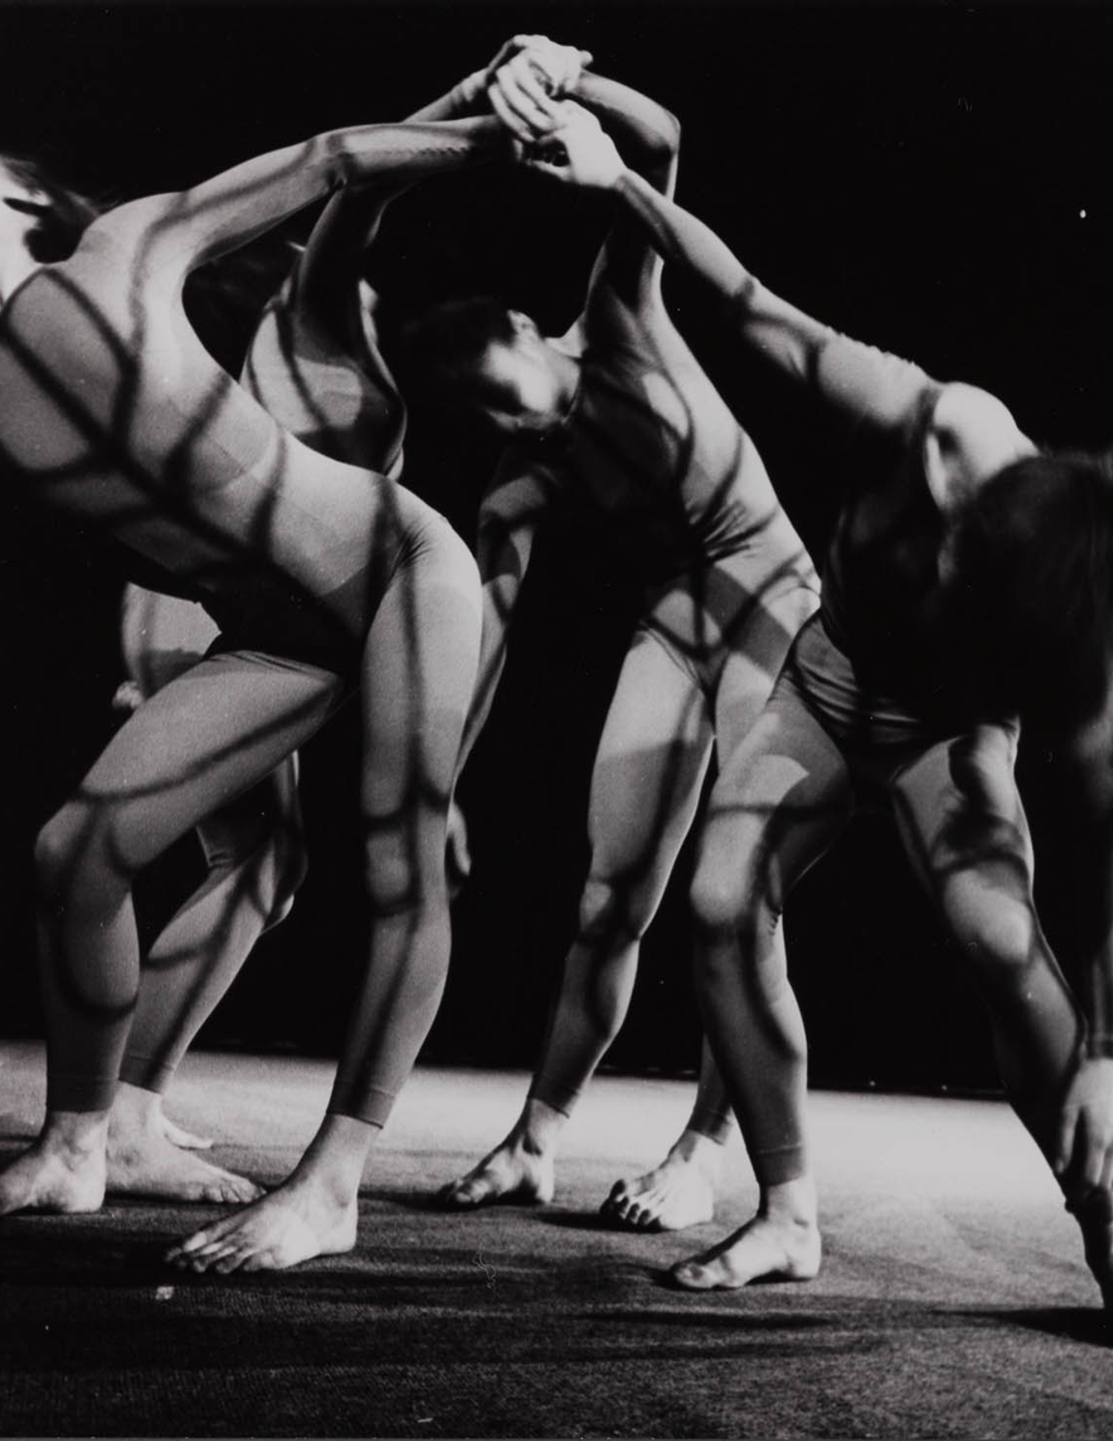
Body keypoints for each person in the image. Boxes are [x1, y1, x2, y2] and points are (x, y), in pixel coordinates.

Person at [517, 103, 1113, 1353]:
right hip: (826, 685)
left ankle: (1111, 1236)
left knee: (1000, 939)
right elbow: (746, 305)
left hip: (948, 736)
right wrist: (620, 180)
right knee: (719, 899)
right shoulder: (931, 423)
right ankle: (786, 1212)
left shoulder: (1082, 637)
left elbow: (1112, 850)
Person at [0, 98, 519, 1270]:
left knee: (396, 864)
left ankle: (330, 1187)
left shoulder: (119, 251)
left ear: (16, 198)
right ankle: (80, 1145)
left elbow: (336, 161)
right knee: (75, 856)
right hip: (275, 633)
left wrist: (496, 131)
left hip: (395, 564)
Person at [82, 39, 579, 1177]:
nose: (524, 425)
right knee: (257, 864)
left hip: (218, 613)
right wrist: (474, 104)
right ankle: (119, 1112)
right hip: (200, 611)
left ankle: (123, 1104)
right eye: (522, 405)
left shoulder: (382, 388)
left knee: (261, 865)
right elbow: (357, 185)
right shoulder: (323, 317)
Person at [394, 54, 822, 1233]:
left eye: (514, 392)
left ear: (530, 331)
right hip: (674, 625)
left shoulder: (620, 316)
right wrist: (442, 785)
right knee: (607, 898)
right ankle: (537, 1139)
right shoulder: (521, 475)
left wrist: (569, 72)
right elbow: (486, 631)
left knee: (737, 902)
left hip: (772, 596)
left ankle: (706, 1149)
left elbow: (665, 137)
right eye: (490, 418)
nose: (517, 423)